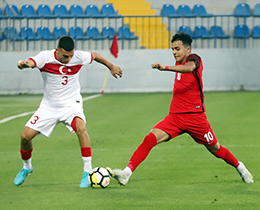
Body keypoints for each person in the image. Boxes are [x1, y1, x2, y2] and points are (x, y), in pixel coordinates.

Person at [106, 32, 253, 185]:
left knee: (215, 149)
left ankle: (240, 166)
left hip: (196, 118)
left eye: (177, 49)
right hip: (175, 117)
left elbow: (189, 68)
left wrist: (166, 68)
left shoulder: (194, 59)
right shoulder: (178, 65)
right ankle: (126, 173)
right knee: (150, 138)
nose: (174, 52)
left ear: (187, 49)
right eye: (172, 50)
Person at [14, 36, 122, 188]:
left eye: (71, 56)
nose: (69, 59)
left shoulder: (78, 57)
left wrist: (111, 66)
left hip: (72, 104)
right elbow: (31, 62)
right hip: (49, 107)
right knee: (25, 137)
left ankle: (87, 172)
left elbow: (96, 56)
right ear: (57, 50)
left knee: (81, 128)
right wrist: (23, 64)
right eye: (65, 56)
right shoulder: (45, 57)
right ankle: (26, 167)